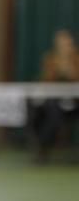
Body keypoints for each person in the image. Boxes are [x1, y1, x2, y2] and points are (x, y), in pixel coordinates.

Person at [34, 29, 79, 161]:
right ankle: (43, 148)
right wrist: (57, 70)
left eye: (67, 43)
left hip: (75, 102)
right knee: (44, 112)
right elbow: (45, 81)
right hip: (55, 102)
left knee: (53, 113)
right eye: (61, 43)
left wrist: (69, 71)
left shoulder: (77, 59)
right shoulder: (51, 59)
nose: (64, 46)